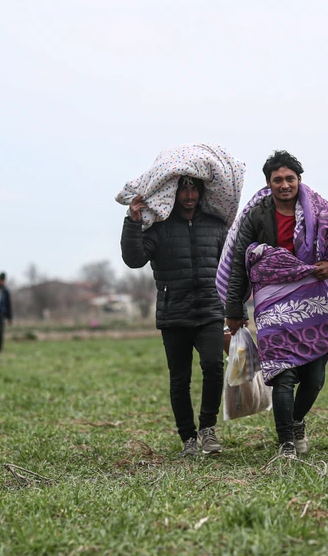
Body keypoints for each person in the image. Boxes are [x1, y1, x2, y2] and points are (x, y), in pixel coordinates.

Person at [222, 151, 328, 460]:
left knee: (315, 378)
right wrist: (235, 308)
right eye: (278, 180)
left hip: (314, 302)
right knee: (284, 374)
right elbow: (240, 262)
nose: (285, 184)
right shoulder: (257, 216)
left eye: (290, 178)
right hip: (272, 304)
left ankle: (297, 420)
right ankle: (286, 444)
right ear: (268, 184)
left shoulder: (321, 212)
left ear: (299, 180)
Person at [121, 175, 228, 456]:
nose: (189, 194)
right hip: (174, 313)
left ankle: (207, 428)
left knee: (214, 367)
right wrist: (132, 222)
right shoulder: (159, 227)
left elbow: (231, 269)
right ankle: (188, 438)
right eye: (183, 189)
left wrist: (235, 310)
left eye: (194, 188)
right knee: (180, 379)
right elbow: (134, 260)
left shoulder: (216, 227)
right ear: (173, 193)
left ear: (202, 191)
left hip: (210, 311)